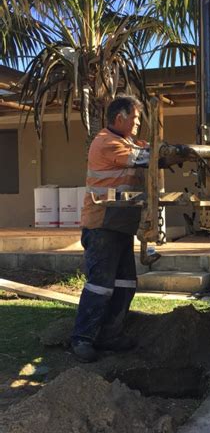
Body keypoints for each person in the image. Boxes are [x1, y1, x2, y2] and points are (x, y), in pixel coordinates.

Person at [71, 95, 151, 362]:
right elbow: (144, 157)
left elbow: (149, 151)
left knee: (126, 283)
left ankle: (110, 335)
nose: (138, 123)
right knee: (100, 286)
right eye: (136, 118)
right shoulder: (106, 142)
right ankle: (82, 339)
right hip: (102, 223)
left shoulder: (128, 142)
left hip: (120, 226)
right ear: (121, 118)